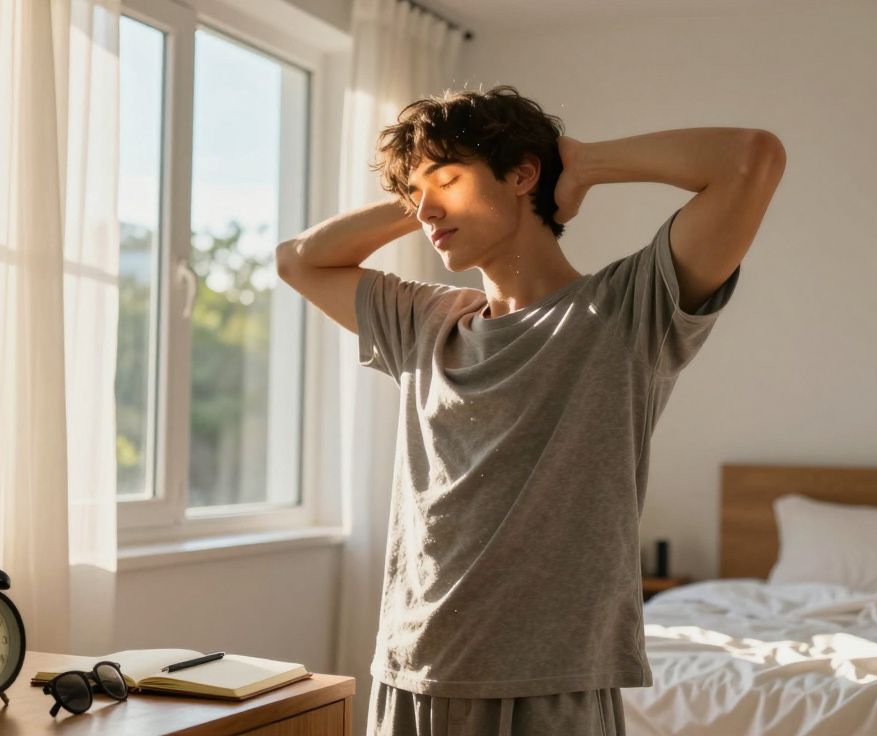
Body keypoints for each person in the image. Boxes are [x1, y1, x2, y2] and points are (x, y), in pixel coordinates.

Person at [276, 84, 785, 736]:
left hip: (550, 682)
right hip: (412, 671)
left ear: (522, 173)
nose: (426, 209)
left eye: (448, 179)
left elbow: (751, 159)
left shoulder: (625, 312)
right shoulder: (423, 323)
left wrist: (585, 164)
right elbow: (297, 261)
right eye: (413, 191)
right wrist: (426, 198)